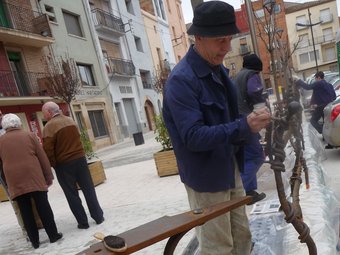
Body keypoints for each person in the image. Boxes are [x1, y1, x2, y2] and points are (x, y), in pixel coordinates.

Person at [162, 2, 271, 254]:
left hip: (228, 166)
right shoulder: (181, 80)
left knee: (242, 236)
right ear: (199, 37)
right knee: (218, 247)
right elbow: (193, 136)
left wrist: (247, 129)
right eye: (221, 41)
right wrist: (244, 126)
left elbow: (228, 119)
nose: (227, 47)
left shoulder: (218, 70)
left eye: (229, 39)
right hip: (205, 178)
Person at [0, 113, 62, 249]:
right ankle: (53, 235)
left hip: (14, 180)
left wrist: (7, 182)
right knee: (43, 206)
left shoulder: (1, 141)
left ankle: (35, 241)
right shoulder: (29, 135)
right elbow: (42, 156)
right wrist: (48, 175)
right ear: (18, 124)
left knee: (25, 211)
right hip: (34, 176)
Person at [41, 102, 104, 229]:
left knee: (72, 194)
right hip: (80, 159)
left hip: (64, 164)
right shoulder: (71, 121)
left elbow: (48, 150)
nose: (44, 116)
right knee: (89, 189)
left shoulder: (48, 127)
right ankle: (98, 216)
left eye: (44, 113)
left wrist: (54, 165)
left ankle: (83, 222)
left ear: (49, 112)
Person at [233, 54, 266, 205]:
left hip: (238, 120)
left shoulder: (238, 76)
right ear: (256, 69)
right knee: (257, 155)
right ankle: (243, 192)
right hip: (246, 120)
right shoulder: (251, 75)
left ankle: (250, 192)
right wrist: (261, 107)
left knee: (247, 157)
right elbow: (254, 92)